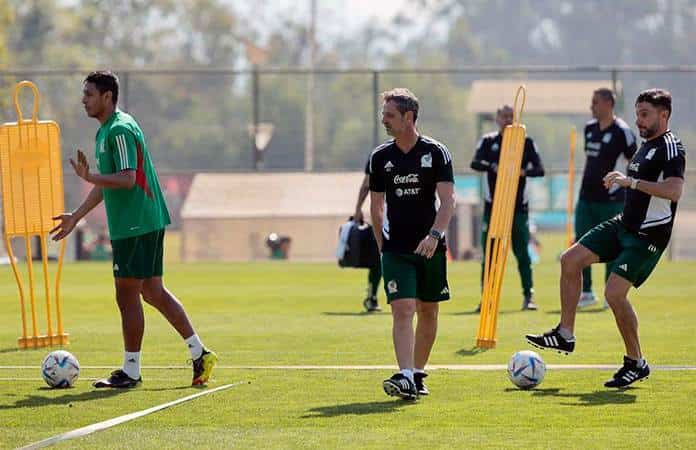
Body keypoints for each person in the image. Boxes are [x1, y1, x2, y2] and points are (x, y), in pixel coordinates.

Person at [51, 71, 217, 388]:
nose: (83, 99)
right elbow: (106, 185)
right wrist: (76, 215)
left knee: (127, 295)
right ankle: (200, 353)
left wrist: (91, 178)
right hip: (140, 221)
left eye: (89, 94)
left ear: (107, 97)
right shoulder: (105, 133)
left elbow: (127, 179)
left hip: (137, 223)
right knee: (153, 291)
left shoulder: (120, 130)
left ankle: (131, 371)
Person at [526, 89, 686, 388]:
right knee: (570, 260)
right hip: (624, 224)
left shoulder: (670, 147)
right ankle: (565, 334)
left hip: (647, 235)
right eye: (637, 113)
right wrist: (623, 178)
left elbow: (674, 191)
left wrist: (632, 182)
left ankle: (636, 362)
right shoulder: (646, 144)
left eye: (645, 114)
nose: (638, 120)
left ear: (663, 115)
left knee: (614, 293)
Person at [369, 88, 455, 399]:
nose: (384, 120)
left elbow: (448, 201)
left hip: (430, 246)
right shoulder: (380, 157)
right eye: (384, 115)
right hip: (396, 249)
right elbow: (376, 205)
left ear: (409, 117)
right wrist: (382, 245)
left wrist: (435, 236)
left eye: (390, 115)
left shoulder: (436, 152)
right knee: (403, 309)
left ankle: (417, 373)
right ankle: (404, 375)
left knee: (428, 310)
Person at [470, 105, 545, 311]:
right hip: (493, 207)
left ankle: (528, 296)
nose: (507, 120)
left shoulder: (525, 141)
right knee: (490, 255)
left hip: (517, 208)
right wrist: (493, 166)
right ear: (497, 119)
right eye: (504, 116)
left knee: (522, 253)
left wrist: (522, 172)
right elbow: (475, 163)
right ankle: (487, 298)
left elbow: (539, 169)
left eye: (511, 116)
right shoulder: (488, 141)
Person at [576, 88, 637, 309]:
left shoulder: (623, 132)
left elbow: (635, 164)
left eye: (595, 102)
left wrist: (628, 188)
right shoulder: (589, 128)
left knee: (612, 245)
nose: (591, 106)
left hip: (612, 200)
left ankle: (610, 295)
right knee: (581, 242)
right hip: (586, 197)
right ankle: (586, 292)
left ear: (609, 104)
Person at [353, 157, 382, 312]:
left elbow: (366, 185)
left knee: (380, 259)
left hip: (384, 217)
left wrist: (358, 208)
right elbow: (366, 185)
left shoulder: (379, 154)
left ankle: (372, 297)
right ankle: (372, 297)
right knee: (380, 260)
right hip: (386, 217)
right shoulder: (378, 155)